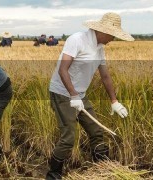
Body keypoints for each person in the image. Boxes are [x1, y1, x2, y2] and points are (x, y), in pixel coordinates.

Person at [47, 12, 134, 179]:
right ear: (103, 32)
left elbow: (105, 76)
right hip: (62, 93)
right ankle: (53, 174)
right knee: (68, 138)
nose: (113, 39)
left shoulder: (99, 48)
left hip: (80, 94)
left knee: (96, 132)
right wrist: (73, 95)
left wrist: (114, 101)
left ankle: (101, 170)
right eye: (113, 35)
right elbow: (62, 69)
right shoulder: (77, 40)